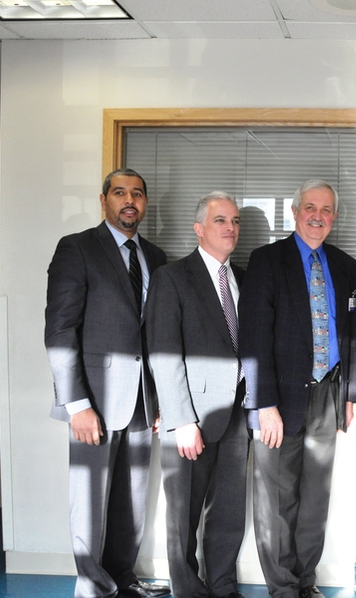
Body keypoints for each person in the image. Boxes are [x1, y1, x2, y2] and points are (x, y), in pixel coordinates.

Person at [45, 168, 170, 598]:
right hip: (94, 402)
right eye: (120, 193)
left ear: (145, 203)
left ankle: (122, 579)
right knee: (91, 500)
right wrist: (76, 404)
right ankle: (92, 588)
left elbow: (157, 333)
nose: (129, 200)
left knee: (131, 500)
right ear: (104, 201)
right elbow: (60, 331)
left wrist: (161, 399)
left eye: (137, 193)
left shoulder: (156, 256)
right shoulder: (77, 248)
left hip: (141, 400)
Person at [239, 180, 356, 598]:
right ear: (295, 212)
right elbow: (254, 336)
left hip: (327, 398)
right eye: (310, 207)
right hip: (279, 398)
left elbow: (353, 336)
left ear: (334, 217)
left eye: (326, 209)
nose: (317, 215)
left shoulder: (346, 267)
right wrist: (263, 404)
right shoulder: (266, 260)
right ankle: (282, 589)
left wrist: (351, 394)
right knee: (275, 500)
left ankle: (305, 582)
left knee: (314, 500)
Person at [145, 192, 248, 598]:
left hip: (236, 416)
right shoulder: (172, 277)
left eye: (235, 221)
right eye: (221, 220)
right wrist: (181, 418)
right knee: (183, 515)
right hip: (192, 419)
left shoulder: (242, 277)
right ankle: (187, 590)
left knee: (228, 512)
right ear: (199, 228)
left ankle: (222, 587)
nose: (230, 228)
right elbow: (163, 352)